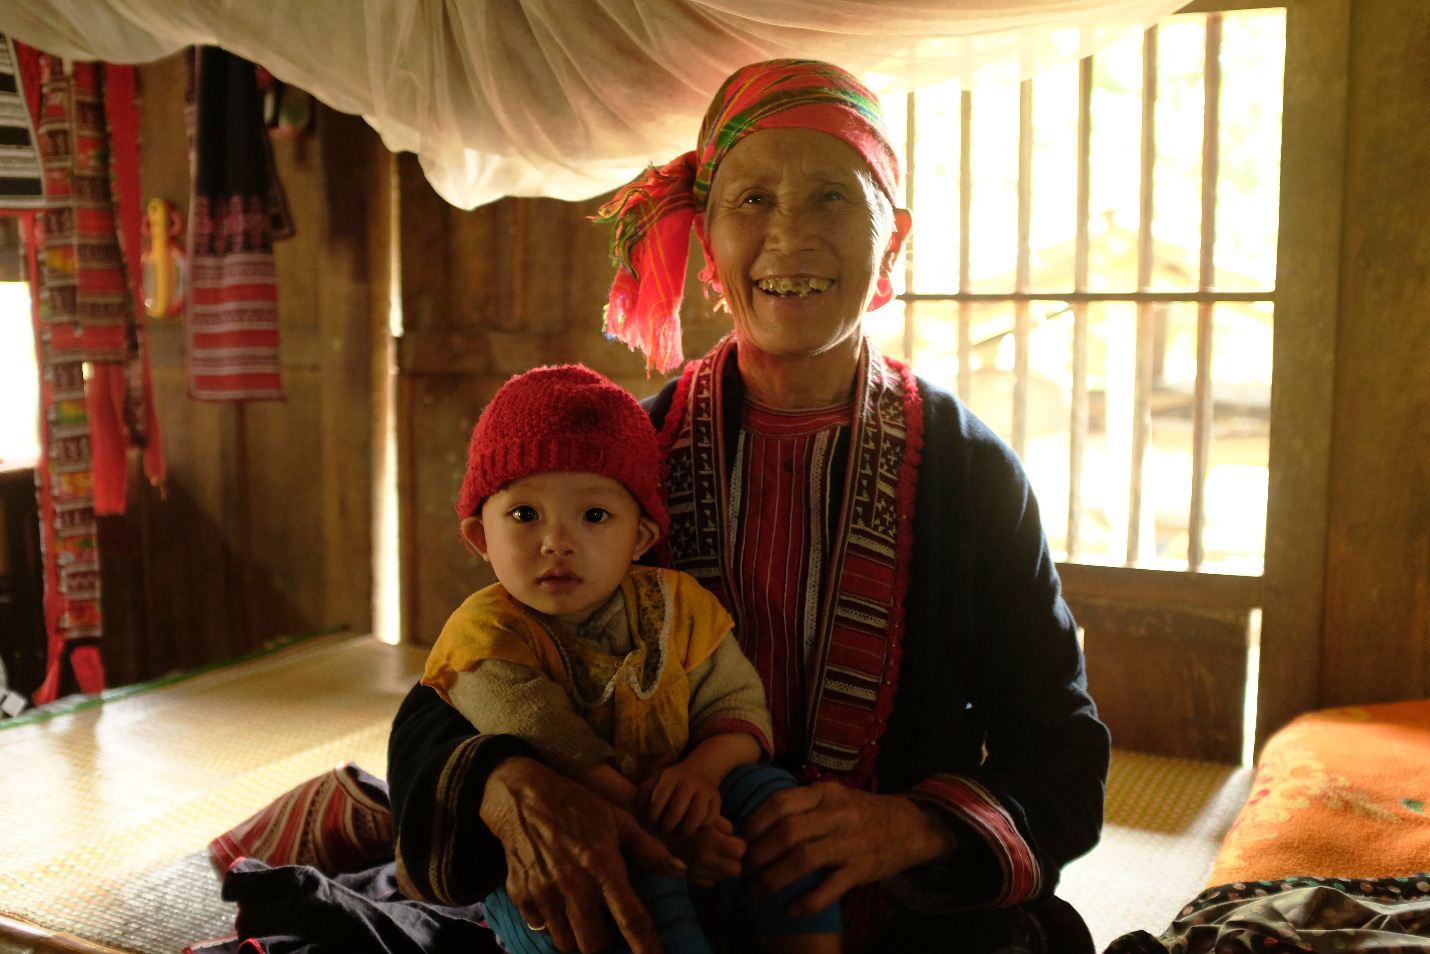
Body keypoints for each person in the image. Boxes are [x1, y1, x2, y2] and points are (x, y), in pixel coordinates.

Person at [387, 58, 1110, 954]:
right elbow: (449, 688)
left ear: (895, 240)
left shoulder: (972, 474)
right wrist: (511, 786)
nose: (790, 238)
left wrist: (905, 827)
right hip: (664, 897)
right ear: (707, 245)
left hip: (893, 916)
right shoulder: (621, 465)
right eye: (752, 201)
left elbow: (1065, 755)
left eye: (833, 199)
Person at [421, 363, 840, 954]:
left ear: (640, 540)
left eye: (594, 516)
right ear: (479, 537)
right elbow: (552, 743)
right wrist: (666, 828)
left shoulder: (677, 606)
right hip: (577, 821)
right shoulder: (484, 635)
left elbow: (738, 707)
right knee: (631, 890)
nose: (556, 541)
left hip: (681, 797)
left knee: (772, 799)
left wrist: (702, 774)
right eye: (524, 515)